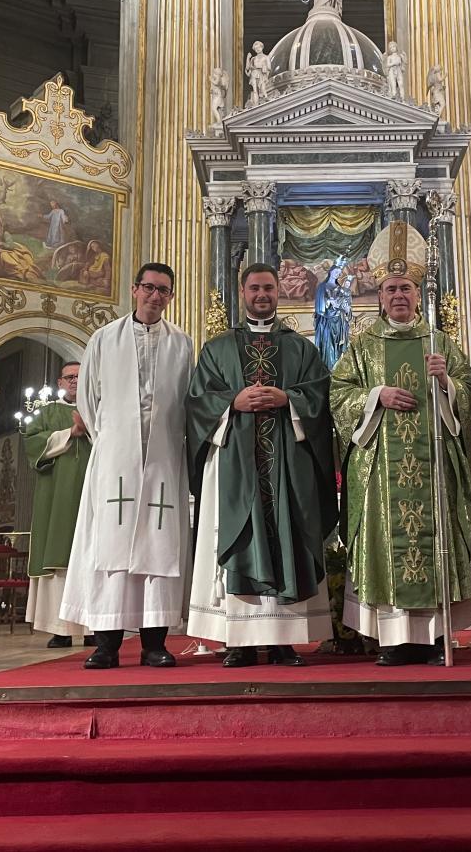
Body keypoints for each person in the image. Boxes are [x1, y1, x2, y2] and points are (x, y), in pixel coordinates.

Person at [331, 222, 471, 665]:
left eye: (407, 288)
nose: (399, 295)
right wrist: (377, 395)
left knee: (433, 539)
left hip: (432, 464)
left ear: (419, 295)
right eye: (391, 288)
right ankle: (394, 639)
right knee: (386, 541)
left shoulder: (441, 343)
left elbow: (469, 395)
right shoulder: (361, 346)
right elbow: (338, 396)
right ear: (379, 296)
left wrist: (447, 385)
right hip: (381, 468)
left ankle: (436, 636)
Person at [186, 263, 338, 666]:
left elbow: (322, 397)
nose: (262, 295)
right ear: (242, 292)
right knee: (243, 536)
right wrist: (231, 403)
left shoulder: (301, 347)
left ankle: (284, 640)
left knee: (287, 532)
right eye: (254, 288)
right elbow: (198, 402)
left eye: (268, 288)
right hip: (236, 460)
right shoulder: (217, 348)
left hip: (287, 463)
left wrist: (289, 399)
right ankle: (239, 640)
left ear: (278, 292)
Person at [58, 263, 194, 668]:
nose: (155, 296)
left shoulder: (182, 344)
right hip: (115, 457)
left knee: (160, 547)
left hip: (165, 456)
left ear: (171, 296)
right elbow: (87, 397)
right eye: (149, 288)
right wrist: (114, 439)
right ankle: (107, 644)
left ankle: (155, 643)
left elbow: (189, 400)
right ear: (134, 289)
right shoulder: (104, 339)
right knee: (110, 547)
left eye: (164, 291)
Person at [22, 360, 92, 648]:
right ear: (60, 382)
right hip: (56, 497)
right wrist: (68, 434)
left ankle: (93, 628)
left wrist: (88, 429)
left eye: (80, 376)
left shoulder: (97, 408)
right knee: (58, 560)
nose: (75, 381)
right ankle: (60, 628)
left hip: (91, 493)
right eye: (69, 377)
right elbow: (31, 443)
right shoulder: (47, 412)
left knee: (91, 557)